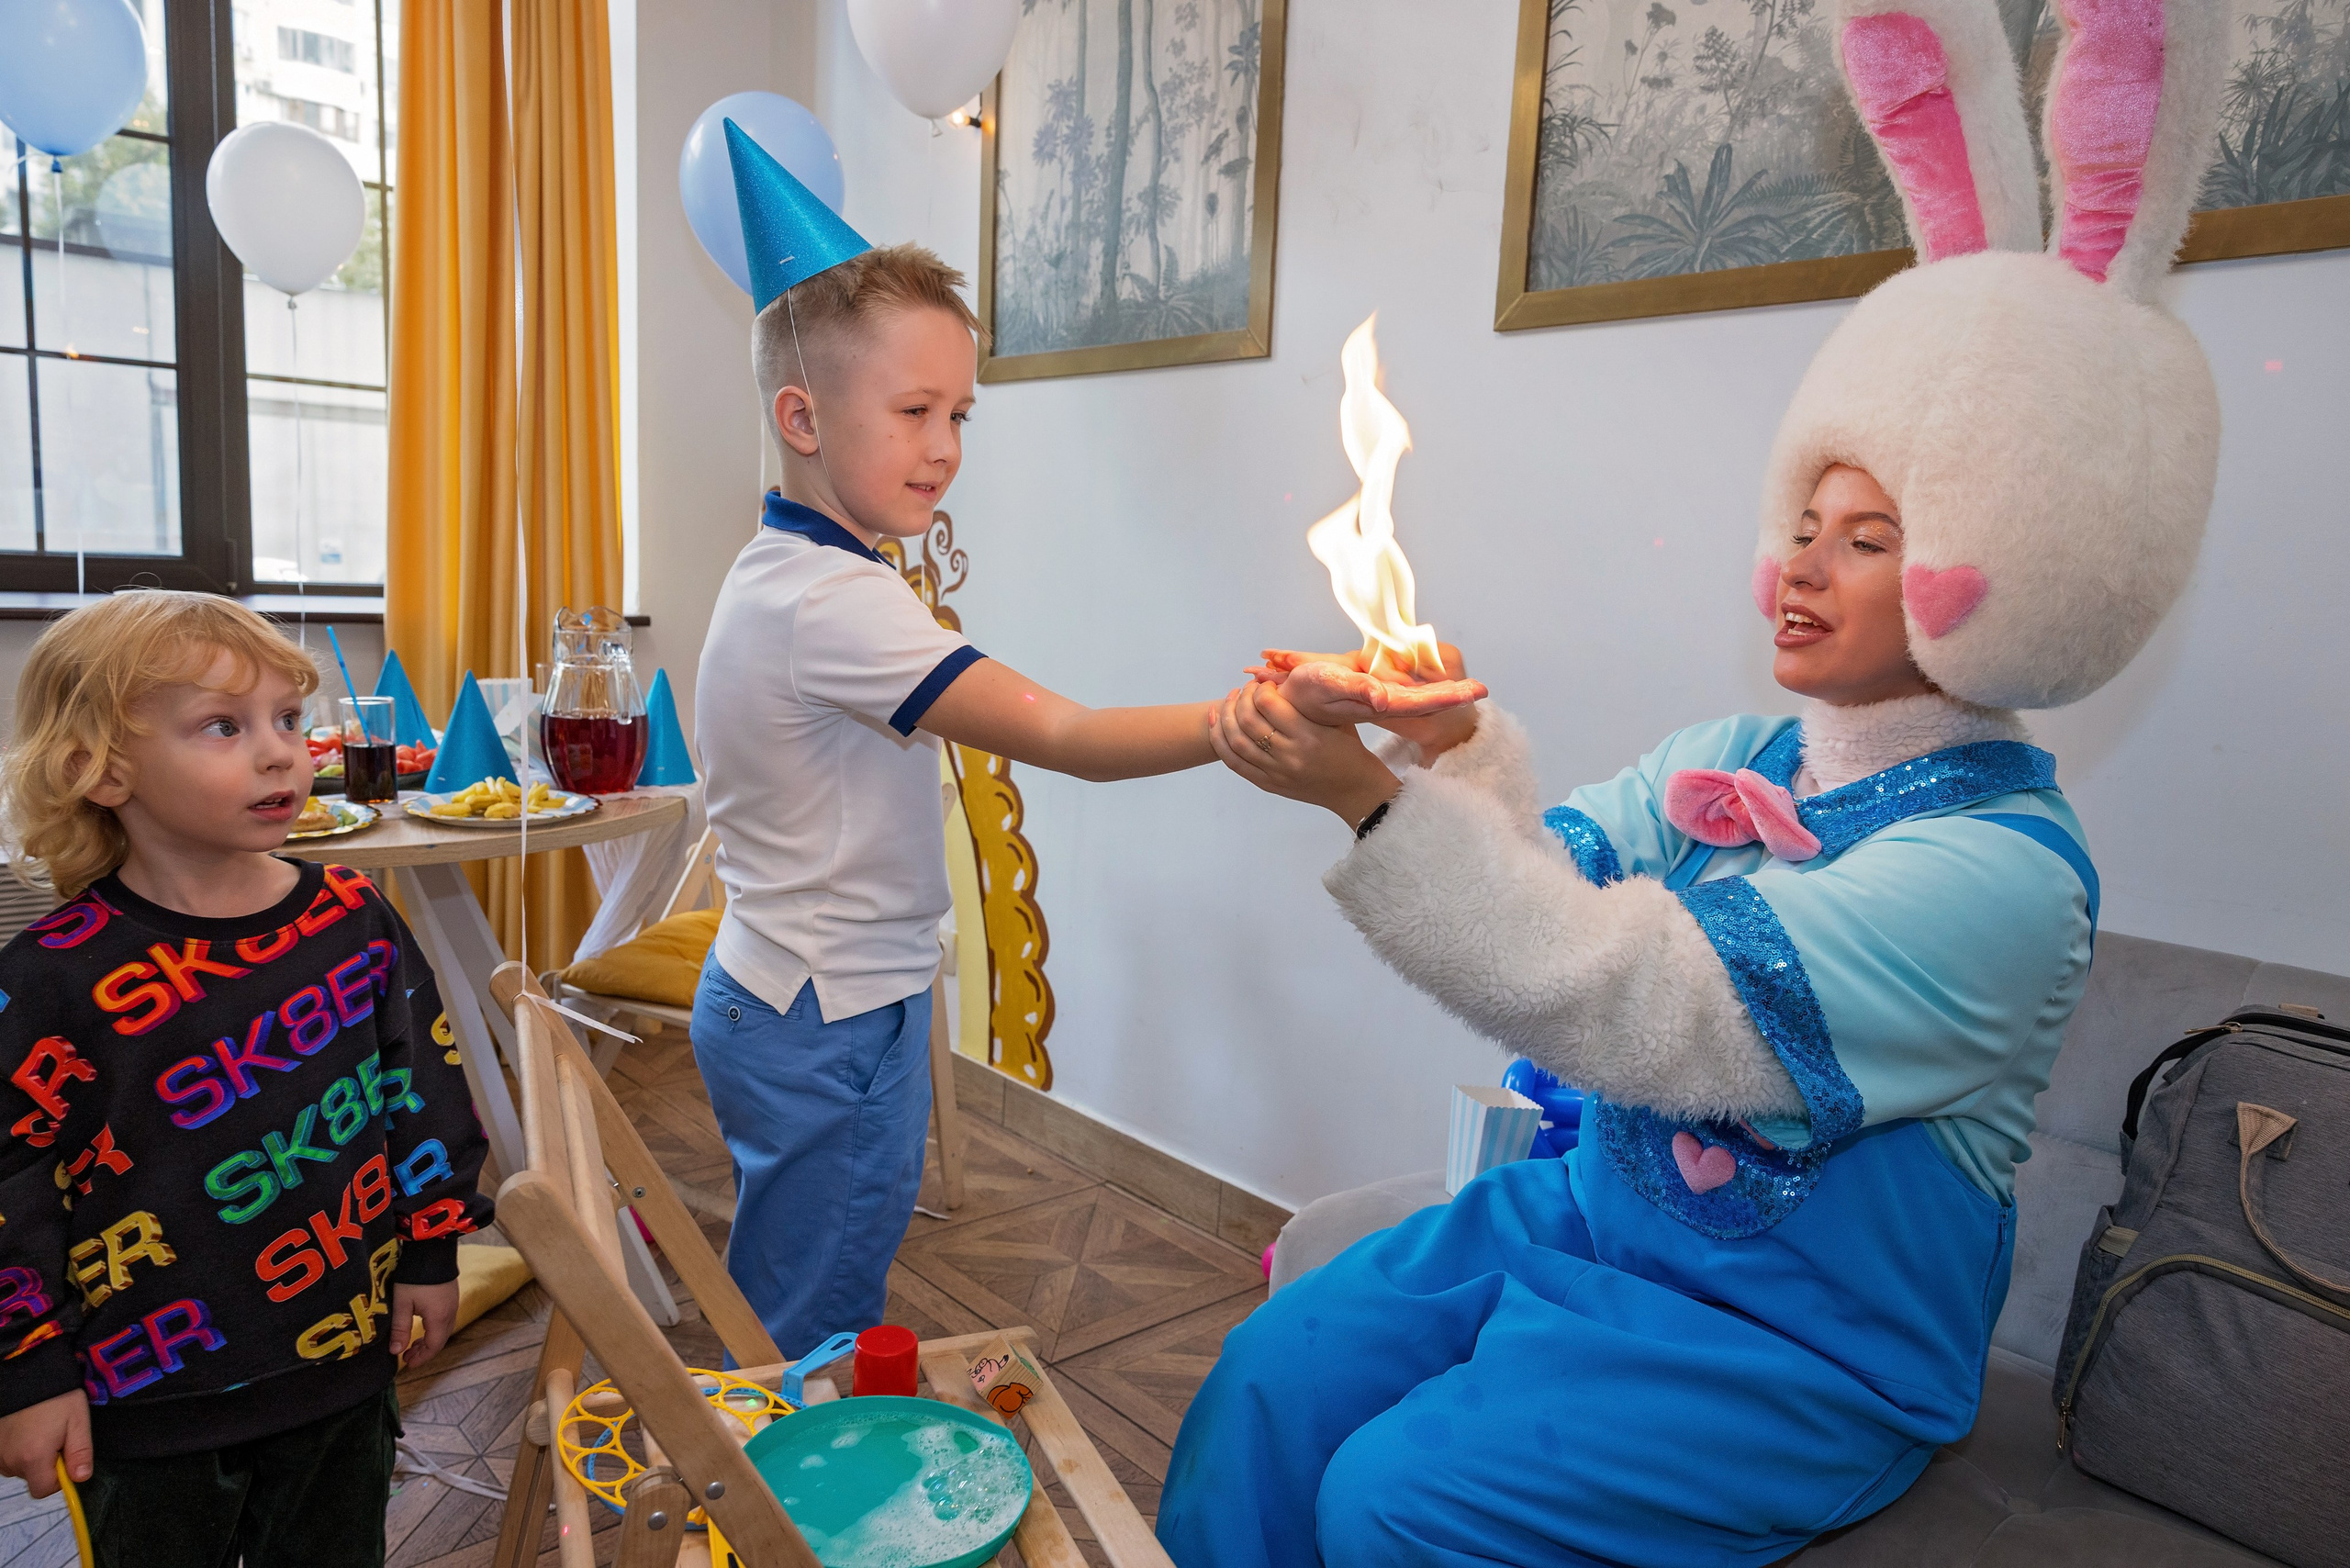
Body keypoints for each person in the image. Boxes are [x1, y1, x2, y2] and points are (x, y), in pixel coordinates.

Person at [1158, 1, 2228, 1562]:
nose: (1803, 566)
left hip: (1797, 1352)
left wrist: (1367, 807)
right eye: (1805, 524)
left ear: (2023, 561)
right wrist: (1450, 752)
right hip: (1592, 1227)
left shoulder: (2002, 877)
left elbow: (1632, 1003)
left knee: (1393, 1504)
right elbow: (1545, 891)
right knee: (1271, 1374)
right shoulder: (1733, 759)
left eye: (1869, 540)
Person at [692, 125, 1475, 1358]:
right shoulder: (829, 601)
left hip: (795, 991)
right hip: (823, 1011)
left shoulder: (797, 572)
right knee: (814, 1318)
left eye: (959, 413)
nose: (945, 446)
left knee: (809, 1275)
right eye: (913, 411)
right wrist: (1240, 720)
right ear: (801, 416)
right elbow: (1066, 733)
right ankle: (770, 1469)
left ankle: (771, 1435)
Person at [0, 592, 493, 1568]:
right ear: (99, 768)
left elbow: (423, 1095)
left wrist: (432, 1252)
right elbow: (12, 1191)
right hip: (144, 1403)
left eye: (289, 719)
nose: (281, 754)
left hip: (342, 1365)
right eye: (223, 726)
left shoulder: (353, 916)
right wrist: (28, 1370)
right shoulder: (49, 976)